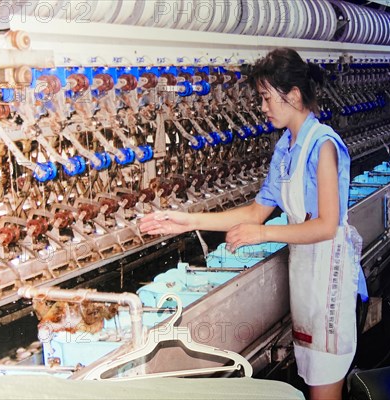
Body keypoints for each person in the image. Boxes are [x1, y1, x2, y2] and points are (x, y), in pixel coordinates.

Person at [140, 47, 368, 400]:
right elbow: (254, 212)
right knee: (313, 383)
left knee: (325, 390)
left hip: (330, 282)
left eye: (266, 97)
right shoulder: (286, 148)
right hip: (307, 278)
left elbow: (326, 225)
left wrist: (261, 234)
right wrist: (185, 222)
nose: (262, 107)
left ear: (292, 95)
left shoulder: (323, 146)